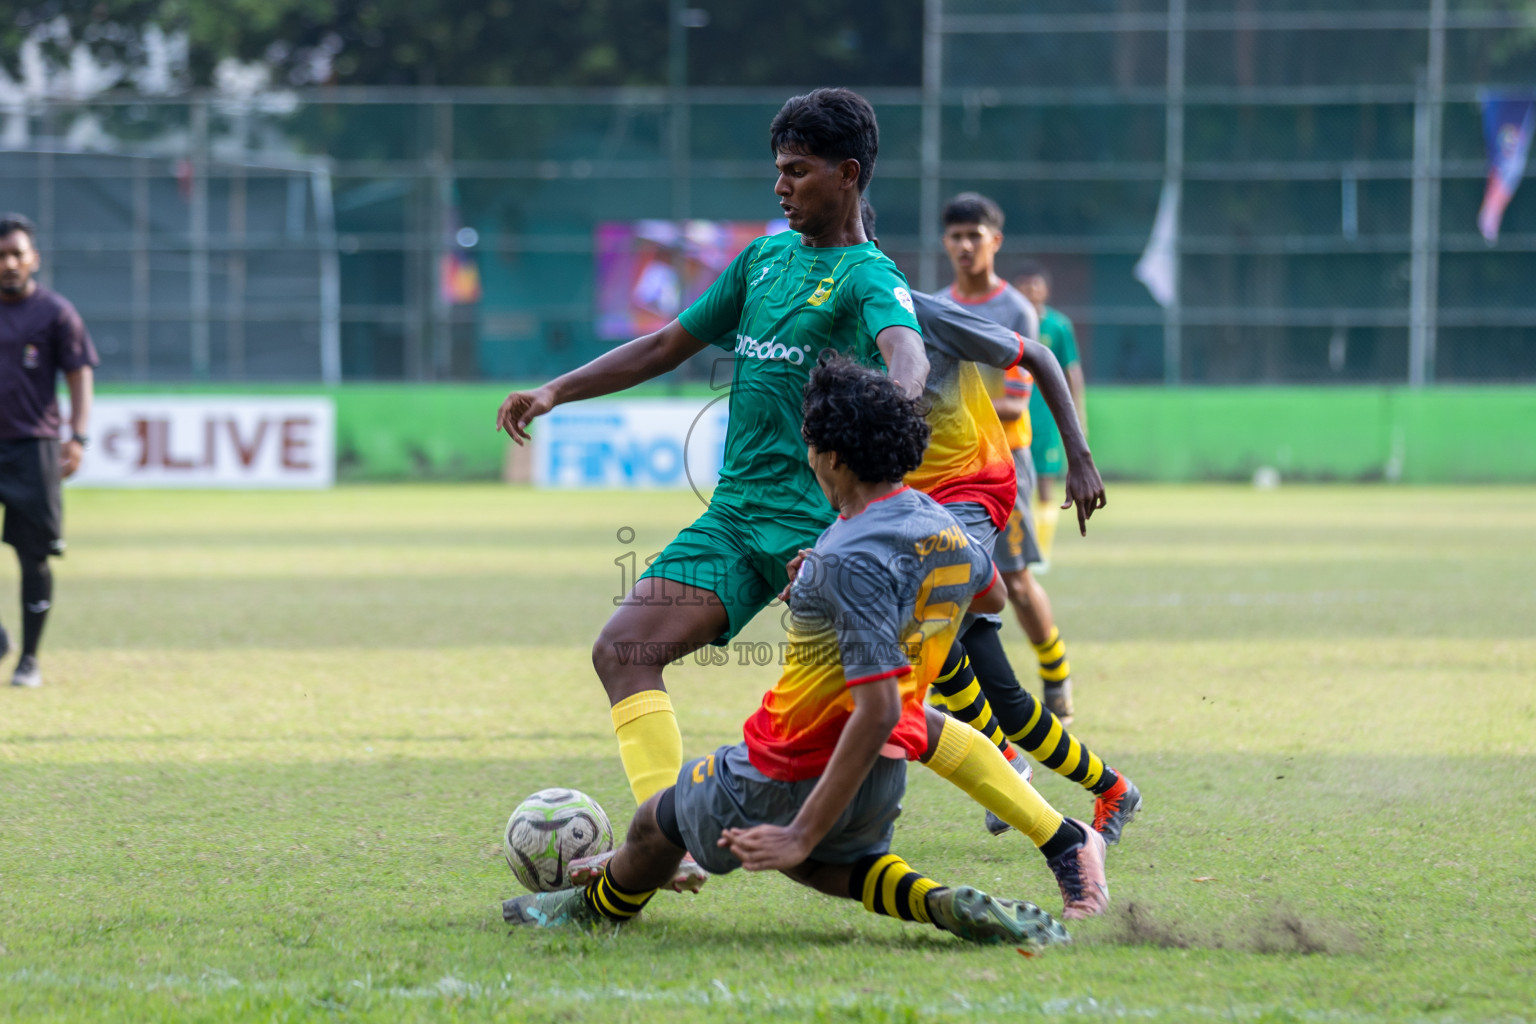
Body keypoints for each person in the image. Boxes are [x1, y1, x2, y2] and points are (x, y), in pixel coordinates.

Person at [503, 357, 1107, 938]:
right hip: (880, 780)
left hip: (786, 762)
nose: (808, 459)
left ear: (832, 458)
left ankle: (586, 911)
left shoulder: (838, 559)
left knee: (654, 825)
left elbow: (878, 709)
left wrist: (800, 829)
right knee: (818, 866)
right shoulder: (937, 522)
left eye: (810, 447)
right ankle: (936, 901)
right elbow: (992, 596)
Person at [496, 88, 929, 890]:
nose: (781, 187)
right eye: (777, 171)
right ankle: (668, 843)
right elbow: (666, 341)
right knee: (622, 650)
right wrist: (556, 391)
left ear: (849, 174)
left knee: (894, 710)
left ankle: (1057, 831)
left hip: (820, 535)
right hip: (734, 521)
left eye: (797, 172)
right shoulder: (762, 262)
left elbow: (909, 355)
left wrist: (896, 406)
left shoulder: (868, 276)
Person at [861, 197, 1140, 844]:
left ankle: (1004, 764)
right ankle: (1108, 787)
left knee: (936, 639)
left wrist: (1079, 459)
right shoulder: (835, 324)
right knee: (994, 686)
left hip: (977, 491)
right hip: (914, 503)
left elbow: (1038, 361)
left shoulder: (924, 313)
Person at [945, 196, 1079, 726]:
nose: (964, 245)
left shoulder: (1016, 311)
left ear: (995, 241)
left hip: (1005, 467)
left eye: (974, 235)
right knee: (947, 579)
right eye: (955, 236)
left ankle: (1056, 675)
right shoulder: (936, 304)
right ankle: (956, 691)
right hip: (950, 468)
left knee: (1016, 583)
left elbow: (1015, 403)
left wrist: (945, 401)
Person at [0, 213, 97, 690]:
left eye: (16, 253)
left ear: (33, 258)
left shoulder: (56, 313)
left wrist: (77, 437)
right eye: (1, 256)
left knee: (32, 555)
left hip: (33, 447)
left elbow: (80, 374)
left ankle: (30, 660)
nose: (8, 263)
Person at [1016, 259, 1086, 581]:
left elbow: (1072, 374)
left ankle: (1041, 554)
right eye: (1025, 285)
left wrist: (1077, 419)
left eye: (1037, 284)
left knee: (1046, 487)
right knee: (1016, 488)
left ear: (1046, 289)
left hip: (1046, 418)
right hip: (1013, 415)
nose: (1032, 291)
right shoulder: (1011, 322)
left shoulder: (1058, 326)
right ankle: (1020, 552)